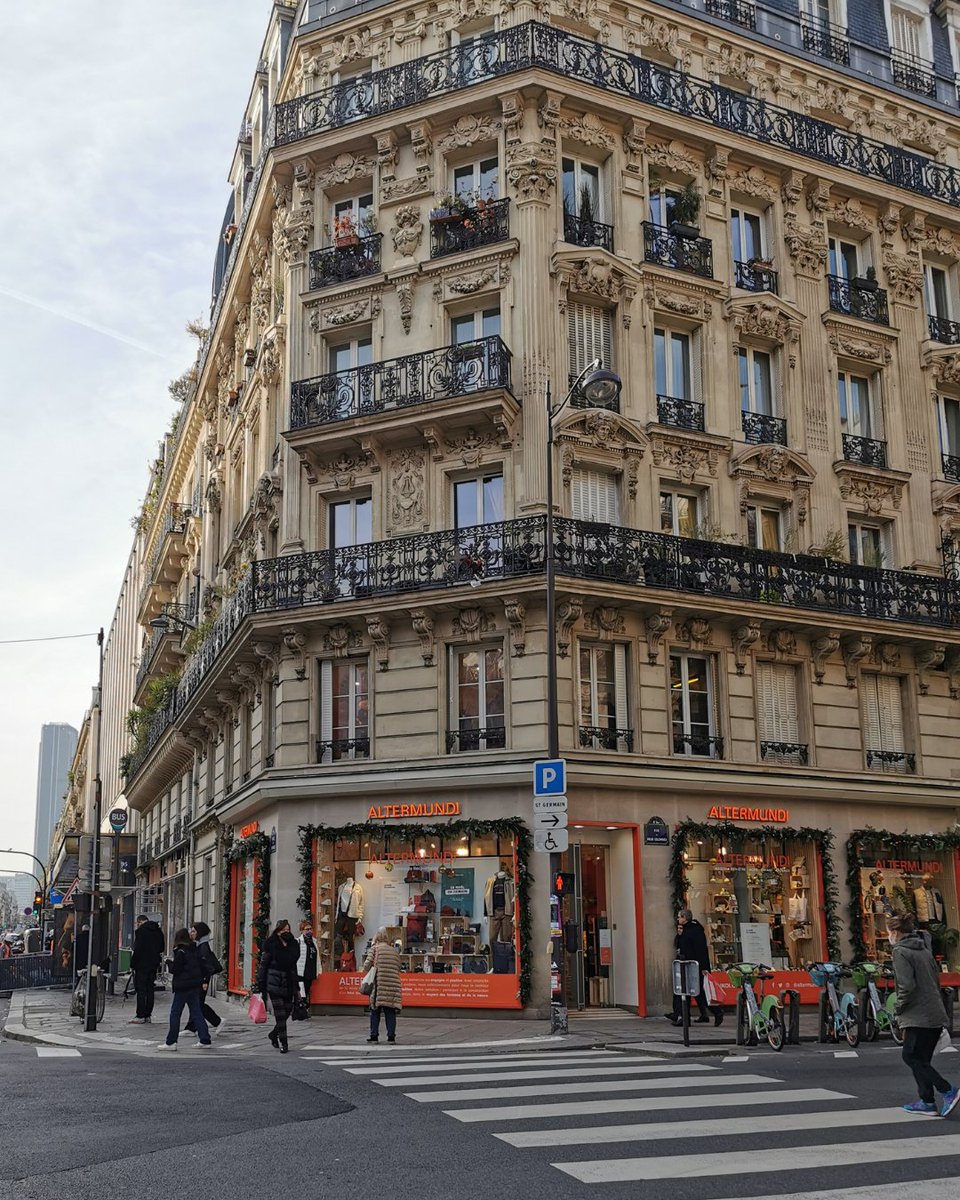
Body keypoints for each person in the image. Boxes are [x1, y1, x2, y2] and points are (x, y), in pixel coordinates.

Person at [888, 912, 959, 1116]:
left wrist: (898, 1008)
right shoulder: (924, 949)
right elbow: (935, 981)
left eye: (890, 931)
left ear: (896, 932)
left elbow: (906, 986)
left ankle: (947, 1090)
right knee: (922, 1060)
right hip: (934, 1011)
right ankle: (926, 1100)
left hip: (916, 1014)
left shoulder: (901, 952)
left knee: (910, 1056)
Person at [664, 909, 723, 1027]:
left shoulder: (695, 931)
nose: (678, 919)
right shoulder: (685, 930)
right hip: (685, 965)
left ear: (685, 918)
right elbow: (679, 945)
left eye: (680, 917)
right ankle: (682, 1016)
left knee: (698, 992)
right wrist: (679, 935)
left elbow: (701, 950)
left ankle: (716, 1012)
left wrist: (704, 967)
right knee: (683, 991)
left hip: (695, 966)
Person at [157, 927, 211, 1051]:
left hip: (183, 986)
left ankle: (171, 1042)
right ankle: (205, 1038)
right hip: (194, 985)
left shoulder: (181, 951)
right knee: (196, 1012)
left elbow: (176, 969)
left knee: (175, 1013)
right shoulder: (194, 949)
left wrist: (169, 963)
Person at [257, 919, 300, 1053]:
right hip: (274, 983)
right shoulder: (271, 944)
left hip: (288, 984)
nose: (286, 932)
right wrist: (261, 984)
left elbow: (294, 967)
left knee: (288, 1010)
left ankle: (273, 1034)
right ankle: (284, 1043)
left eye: (288, 929)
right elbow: (263, 966)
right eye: (283, 930)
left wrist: (297, 987)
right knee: (280, 1015)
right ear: (277, 930)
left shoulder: (293, 945)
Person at [362, 927, 403, 1044]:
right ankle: (391, 1036)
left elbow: (366, 966)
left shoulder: (374, 949)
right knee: (390, 1011)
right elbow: (398, 967)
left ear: (377, 937)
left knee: (375, 1010)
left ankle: (374, 1035)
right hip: (392, 985)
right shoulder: (394, 951)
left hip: (378, 985)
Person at [184, 921, 223, 1036]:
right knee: (197, 1003)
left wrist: (205, 981)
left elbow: (207, 966)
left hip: (202, 980)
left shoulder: (203, 947)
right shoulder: (200, 944)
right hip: (200, 979)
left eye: (194, 931)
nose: (192, 933)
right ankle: (192, 1027)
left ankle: (216, 1021)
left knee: (197, 1003)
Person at [130, 913, 165, 1024]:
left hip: (142, 964)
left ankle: (140, 1015)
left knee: (141, 990)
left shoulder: (141, 932)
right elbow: (162, 947)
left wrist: (133, 964)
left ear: (139, 922)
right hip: (153, 964)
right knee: (150, 989)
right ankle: (147, 1015)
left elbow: (138, 949)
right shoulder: (158, 931)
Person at [297, 918, 318, 1014]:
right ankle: (302, 1009)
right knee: (302, 990)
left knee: (308, 988)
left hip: (311, 969)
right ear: (302, 930)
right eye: (307, 929)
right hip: (302, 970)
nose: (309, 931)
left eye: (310, 929)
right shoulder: (299, 942)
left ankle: (304, 1008)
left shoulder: (314, 941)